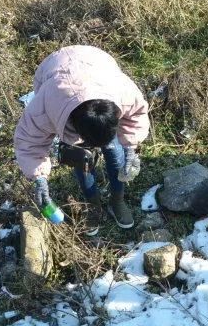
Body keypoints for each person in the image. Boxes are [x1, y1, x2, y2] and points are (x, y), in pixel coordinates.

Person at [14, 45, 149, 229]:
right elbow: (29, 143)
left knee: (115, 152)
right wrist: (39, 180)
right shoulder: (46, 107)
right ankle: (93, 206)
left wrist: (130, 148)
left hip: (97, 63)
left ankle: (117, 200)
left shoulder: (123, 92)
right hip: (55, 72)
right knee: (81, 159)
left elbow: (137, 115)